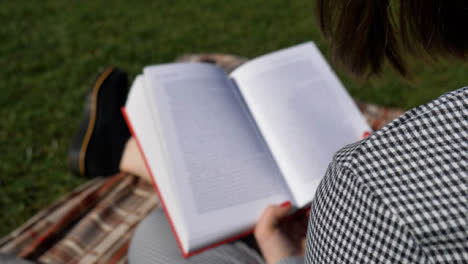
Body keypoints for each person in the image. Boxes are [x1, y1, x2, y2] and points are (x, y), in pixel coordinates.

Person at [69, 0, 467, 263]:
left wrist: (288, 256)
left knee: (156, 237)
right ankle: (123, 150)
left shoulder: (369, 192)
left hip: (331, 225)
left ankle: (122, 150)